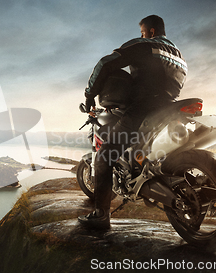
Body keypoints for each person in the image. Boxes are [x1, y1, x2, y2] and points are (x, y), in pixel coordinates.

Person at [78, 15, 188, 229]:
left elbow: (105, 63)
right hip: (168, 108)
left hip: (143, 108)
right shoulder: (179, 57)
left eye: (143, 32)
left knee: (104, 155)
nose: (142, 36)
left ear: (152, 32)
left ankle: (101, 216)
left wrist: (90, 94)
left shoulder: (146, 45)